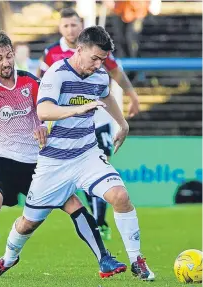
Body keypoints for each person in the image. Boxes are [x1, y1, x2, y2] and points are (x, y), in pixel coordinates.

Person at [0, 26, 155, 281]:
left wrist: (123, 124)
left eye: (102, 60)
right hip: (53, 162)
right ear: (80, 49)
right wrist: (77, 109)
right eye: (94, 58)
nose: (98, 65)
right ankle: (8, 258)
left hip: (86, 154)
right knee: (28, 222)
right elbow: (44, 111)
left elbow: (106, 96)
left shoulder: (99, 75)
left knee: (120, 196)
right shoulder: (57, 73)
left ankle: (136, 260)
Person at [36, 8, 140, 240]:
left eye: (74, 25)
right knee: (34, 213)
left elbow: (113, 78)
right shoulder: (52, 55)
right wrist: (39, 120)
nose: (70, 29)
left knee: (100, 165)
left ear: (80, 25)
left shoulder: (97, 52)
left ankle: (100, 221)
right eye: (66, 26)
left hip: (95, 119)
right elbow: (39, 87)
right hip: (61, 125)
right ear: (61, 28)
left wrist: (131, 98)